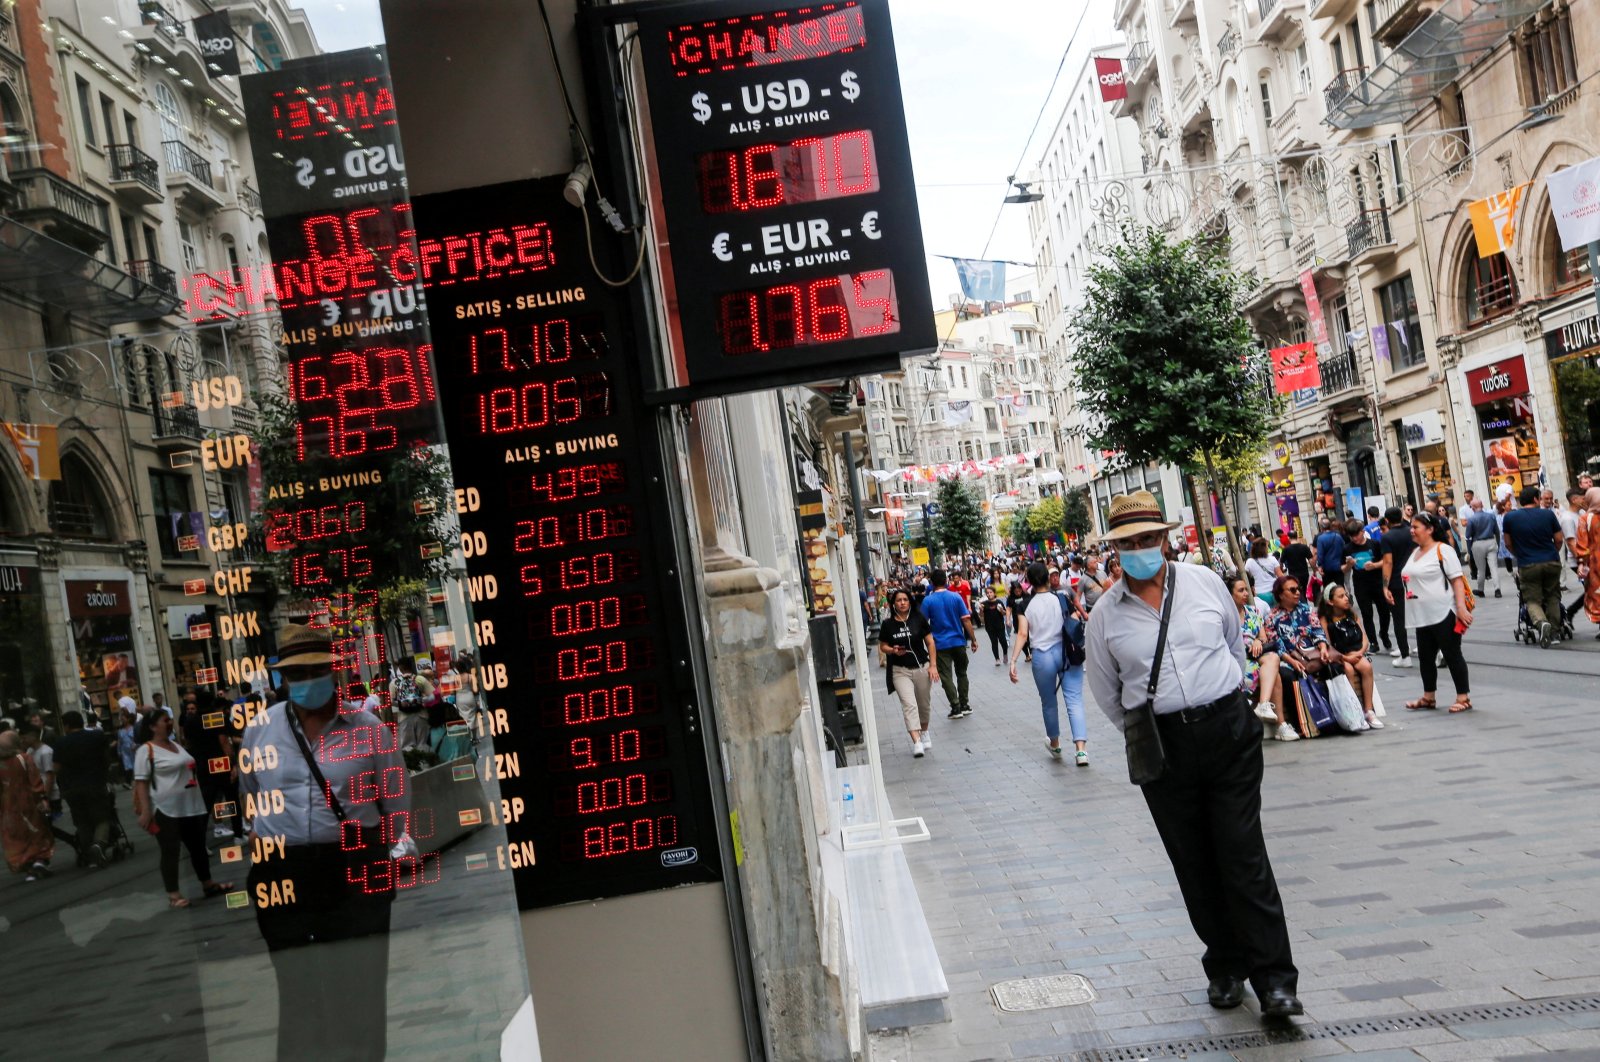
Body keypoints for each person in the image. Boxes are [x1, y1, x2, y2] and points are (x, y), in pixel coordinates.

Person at [1084, 491, 1301, 1020]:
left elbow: (1231, 643)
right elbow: (1110, 695)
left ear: (1165, 539)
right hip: (1164, 748)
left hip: (1227, 731)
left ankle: (1274, 980)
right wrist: (1161, 730)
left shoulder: (1204, 583)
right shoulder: (1105, 617)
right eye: (1128, 543)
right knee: (1194, 861)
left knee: (1242, 853)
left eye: (1148, 539)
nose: (1139, 549)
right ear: (1115, 550)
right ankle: (1225, 966)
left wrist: (1233, 704)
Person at [239, 623, 405, 1061]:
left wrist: (367, 855)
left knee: (361, 981)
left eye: (314, 670)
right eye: (295, 674)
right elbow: (250, 795)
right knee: (296, 985)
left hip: (353, 867)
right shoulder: (260, 729)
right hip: (283, 871)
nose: (304, 681)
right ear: (283, 679)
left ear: (333, 673)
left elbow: (397, 806)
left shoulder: (368, 729)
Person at [133, 710, 228, 908]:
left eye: (170, 720)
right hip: (166, 809)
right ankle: (173, 895)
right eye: (164, 721)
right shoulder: (146, 750)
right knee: (170, 851)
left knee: (198, 848)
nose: (169, 723)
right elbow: (141, 782)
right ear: (152, 726)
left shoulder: (175, 745)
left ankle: (208, 884)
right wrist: (146, 810)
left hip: (191, 806)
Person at [1009, 561, 1090, 764]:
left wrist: (1013, 660)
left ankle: (1055, 744)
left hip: (1041, 656)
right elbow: (1074, 620)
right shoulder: (1061, 598)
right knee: (1074, 700)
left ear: (1028, 582)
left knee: (1049, 702)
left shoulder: (1024, 605)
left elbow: (1022, 633)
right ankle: (1081, 750)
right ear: (1047, 578)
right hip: (1066, 653)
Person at [1398, 513, 1473, 711]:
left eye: (1416, 527)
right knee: (1425, 657)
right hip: (1421, 614)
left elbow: (1457, 580)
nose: (1412, 530)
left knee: (1452, 654)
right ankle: (1428, 697)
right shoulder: (1416, 552)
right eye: (1411, 527)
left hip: (1443, 612)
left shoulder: (1443, 550)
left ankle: (1463, 698)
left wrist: (1461, 609)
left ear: (1430, 529)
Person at [1226, 575, 1295, 742]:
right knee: (1275, 675)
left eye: (1246, 589)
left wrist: (1257, 640)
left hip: (1256, 656)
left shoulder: (1253, 611)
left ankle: (1264, 706)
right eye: (1240, 590)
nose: (1245, 593)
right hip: (1237, 661)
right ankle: (1280, 724)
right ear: (1230, 594)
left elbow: (1264, 638)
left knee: (1272, 657)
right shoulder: (1225, 616)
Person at [1502, 485, 1565, 646]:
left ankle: (1541, 622)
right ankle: (1555, 633)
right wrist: (1553, 552)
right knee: (1552, 596)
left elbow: (1508, 544)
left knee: (1532, 599)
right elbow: (1558, 539)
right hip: (1551, 561)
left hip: (1527, 563)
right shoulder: (1548, 515)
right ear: (1536, 499)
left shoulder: (1509, 518)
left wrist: (1520, 555)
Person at [52, 710, 114, 867]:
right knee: (102, 817)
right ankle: (99, 844)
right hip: (95, 784)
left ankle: (89, 854)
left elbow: (56, 768)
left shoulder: (60, 743)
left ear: (66, 726)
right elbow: (106, 758)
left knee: (82, 821)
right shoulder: (97, 736)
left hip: (72, 788)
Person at [879, 589, 938, 757]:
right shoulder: (888, 624)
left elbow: (930, 643)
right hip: (900, 670)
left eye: (905, 599)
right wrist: (892, 650)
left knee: (923, 705)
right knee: (909, 705)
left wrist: (933, 665)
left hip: (921, 667)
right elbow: (883, 646)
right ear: (893, 604)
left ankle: (924, 731)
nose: (902, 602)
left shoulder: (918, 619)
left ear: (910, 602)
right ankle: (917, 741)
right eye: (899, 600)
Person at [1317, 585, 1380, 728]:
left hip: (1355, 652)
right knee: (1348, 670)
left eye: (1346, 595)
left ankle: (1368, 710)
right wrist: (1346, 658)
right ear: (1330, 602)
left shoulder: (1352, 615)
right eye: (1341, 596)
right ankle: (1353, 709)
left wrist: (1360, 652)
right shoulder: (1326, 619)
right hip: (1339, 655)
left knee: (1366, 667)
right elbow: (1327, 644)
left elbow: (1364, 638)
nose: (1346, 599)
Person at [921, 570, 978, 719]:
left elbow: (922, 624)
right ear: (946, 581)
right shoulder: (956, 597)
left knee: (946, 676)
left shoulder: (928, 601)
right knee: (962, 673)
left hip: (940, 644)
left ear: (932, 583)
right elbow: (966, 620)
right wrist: (973, 639)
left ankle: (956, 706)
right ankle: (965, 704)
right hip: (958, 641)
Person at [0, 729, 53, 880]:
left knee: (16, 837)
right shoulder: (24, 758)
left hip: (8, 806)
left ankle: (26, 864)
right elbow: (35, 781)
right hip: (28, 802)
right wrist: (42, 797)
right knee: (36, 832)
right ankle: (38, 861)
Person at [1346, 519, 1391, 655]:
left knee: (1384, 612)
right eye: (1351, 536)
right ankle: (1373, 642)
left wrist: (1374, 565)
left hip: (1377, 582)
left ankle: (1383, 633)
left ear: (1363, 532)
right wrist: (1349, 564)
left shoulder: (1374, 544)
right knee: (1367, 614)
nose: (1354, 538)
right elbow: (1342, 568)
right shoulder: (1348, 548)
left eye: (1356, 535)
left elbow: (1386, 561)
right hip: (1360, 584)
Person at [1379, 507, 1415, 668]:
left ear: (1387, 520)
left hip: (1396, 581)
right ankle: (1434, 650)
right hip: (1414, 578)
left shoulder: (1387, 537)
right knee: (1420, 614)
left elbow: (1388, 562)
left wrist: (1385, 586)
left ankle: (1405, 655)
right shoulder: (1411, 531)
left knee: (1399, 619)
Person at [1575, 487, 1600, 637]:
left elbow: (1582, 545)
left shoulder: (1585, 518)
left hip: (1595, 563)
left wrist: (1581, 563)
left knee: (1597, 593)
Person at [1465, 498, 1501, 598]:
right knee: (1493, 567)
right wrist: (1497, 543)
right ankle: (1497, 589)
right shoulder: (1491, 516)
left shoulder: (1471, 519)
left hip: (1478, 544)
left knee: (1481, 569)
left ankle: (1481, 590)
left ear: (1473, 507)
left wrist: (1469, 550)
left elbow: (1468, 536)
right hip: (1491, 541)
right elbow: (1497, 532)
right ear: (1482, 505)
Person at [1314, 518, 1349, 594]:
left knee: (1328, 588)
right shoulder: (1338, 536)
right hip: (1338, 566)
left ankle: (1330, 603)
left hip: (1327, 567)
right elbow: (1344, 549)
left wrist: (1319, 566)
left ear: (1321, 527)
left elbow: (1320, 554)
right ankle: (1341, 600)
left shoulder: (1320, 538)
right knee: (1340, 585)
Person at [1244, 538, 1281, 608]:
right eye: (1267, 546)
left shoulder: (1250, 562)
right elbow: (1280, 576)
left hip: (1259, 593)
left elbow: (1246, 577)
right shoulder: (1272, 559)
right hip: (1274, 592)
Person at [978, 586, 1010, 665]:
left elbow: (1004, 613)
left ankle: (1005, 654)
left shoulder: (999, 602)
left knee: (1003, 641)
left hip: (999, 625)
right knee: (994, 642)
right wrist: (981, 610)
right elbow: (981, 616)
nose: (989, 594)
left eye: (990, 592)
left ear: (994, 593)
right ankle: (997, 659)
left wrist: (1001, 610)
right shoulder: (984, 604)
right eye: (987, 593)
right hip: (989, 626)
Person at [1004, 580, 1030, 661]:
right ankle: (1027, 655)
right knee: (1022, 638)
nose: (1018, 592)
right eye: (1016, 591)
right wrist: (1008, 620)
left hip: (1028, 618)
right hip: (1017, 620)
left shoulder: (1026, 595)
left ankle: (1033, 652)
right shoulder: (1010, 598)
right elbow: (1008, 609)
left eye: (1019, 590)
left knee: (1029, 637)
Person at [116, 709, 137, 786]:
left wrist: (136, 745)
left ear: (128, 719)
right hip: (125, 751)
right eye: (122, 719)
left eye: (124, 718)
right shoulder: (120, 731)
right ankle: (128, 782)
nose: (123, 720)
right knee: (127, 766)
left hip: (133, 750)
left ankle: (135, 780)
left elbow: (137, 739)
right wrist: (119, 751)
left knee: (135, 765)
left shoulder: (134, 728)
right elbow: (119, 742)